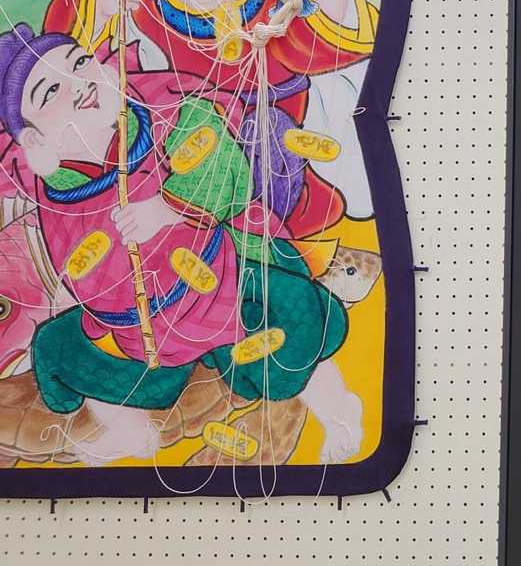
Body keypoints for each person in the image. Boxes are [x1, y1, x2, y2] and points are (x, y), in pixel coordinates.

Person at [0, 26, 360, 464]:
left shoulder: (167, 110)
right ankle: (129, 431)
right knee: (58, 346)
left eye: (79, 63)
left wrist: (166, 209)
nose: (78, 84)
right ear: (34, 139)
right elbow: (72, 261)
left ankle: (338, 410)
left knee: (289, 322)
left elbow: (225, 170)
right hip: (139, 330)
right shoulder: (56, 190)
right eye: (52, 90)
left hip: (222, 281)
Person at [42, 0, 378, 242]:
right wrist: (102, 5)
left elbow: (336, 32)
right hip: (151, 145)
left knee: (265, 141)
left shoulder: (274, 7)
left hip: (249, 159)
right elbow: (58, 36)